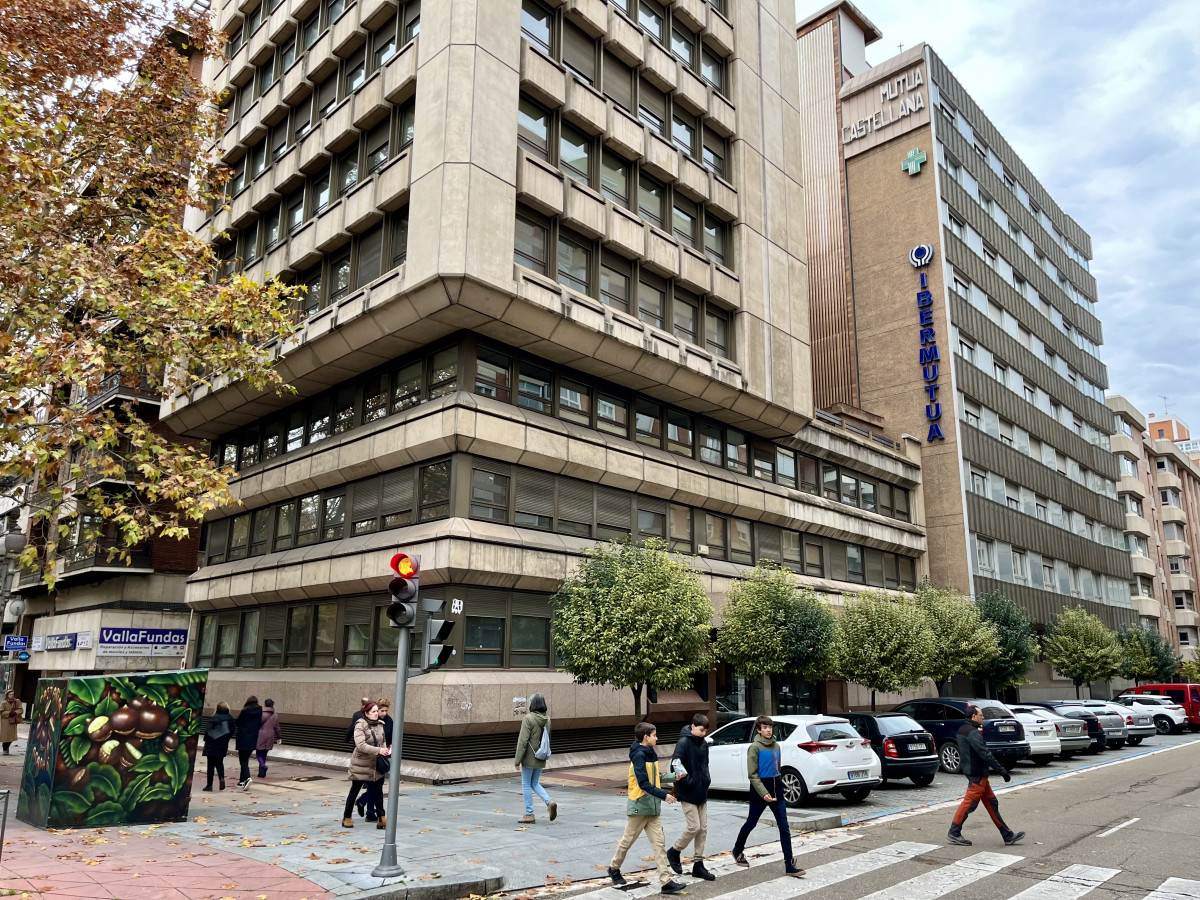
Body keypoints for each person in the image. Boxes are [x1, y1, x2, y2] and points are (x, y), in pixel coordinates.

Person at [607, 722, 685, 896]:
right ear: (646, 737)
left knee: (659, 844)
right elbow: (643, 784)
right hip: (640, 806)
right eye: (655, 735)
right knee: (627, 841)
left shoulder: (650, 753)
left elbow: (655, 777)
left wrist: (674, 776)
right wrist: (664, 796)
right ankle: (614, 868)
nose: (657, 738)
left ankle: (666, 882)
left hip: (653, 808)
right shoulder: (639, 756)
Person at [731, 716, 805, 878]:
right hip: (759, 792)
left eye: (770, 727)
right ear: (759, 730)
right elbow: (752, 774)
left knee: (784, 827)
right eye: (764, 727)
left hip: (777, 791)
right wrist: (763, 792)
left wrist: (780, 787)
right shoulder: (755, 748)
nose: (768, 730)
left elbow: (777, 769)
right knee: (751, 823)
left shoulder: (777, 746)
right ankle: (737, 849)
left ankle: (789, 864)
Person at [948, 704, 1025, 847]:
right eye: (981, 715)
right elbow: (985, 754)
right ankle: (954, 832)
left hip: (977, 774)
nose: (983, 718)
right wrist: (1002, 771)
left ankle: (1007, 835)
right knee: (969, 804)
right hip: (977, 774)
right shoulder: (973, 732)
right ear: (973, 716)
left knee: (991, 804)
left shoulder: (962, 730)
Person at [667, 714, 715, 881]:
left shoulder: (703, 744)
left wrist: (706, 779)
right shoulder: (683, 743)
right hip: (688, 791)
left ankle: (698, 865)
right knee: (694, 827)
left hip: (702, 791)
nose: (703, 733)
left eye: (705, 731)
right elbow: (676, 764)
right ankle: (674, 851)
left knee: (703, 829)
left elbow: (705, 765)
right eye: (701, 730)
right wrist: (690, 781)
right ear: (693, 726)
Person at [343, 701, 390, 830]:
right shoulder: (360, 725)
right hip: (361, 763)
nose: (376, 714)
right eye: (373, 712)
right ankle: (347, 817)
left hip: (376, 763)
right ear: (366, 713)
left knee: (378, 791)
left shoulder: (380, 725)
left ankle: (381, 817)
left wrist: (385, 750)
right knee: (355, 790)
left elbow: (383, 740)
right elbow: (360, 745)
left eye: (377, 711)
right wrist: (378, 751)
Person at [513, 693, 556, 825]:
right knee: (535, 783)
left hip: (529, 757)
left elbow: (523, 741)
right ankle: (549, 801)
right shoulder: (547, 720)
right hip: (541, 756)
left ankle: (529, 814)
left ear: (533, 705)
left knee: (526, 784)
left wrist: (517, 760)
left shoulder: (529, 718)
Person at [202, 702, 235, 791]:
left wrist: (206, 740)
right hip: (223, 744)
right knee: (220, 762)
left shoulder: (214, 717)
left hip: (211, 744)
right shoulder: (230, 718)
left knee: (211, 764)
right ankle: (221, 778)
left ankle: (209, 785)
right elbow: (232, 731)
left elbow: (207, 731)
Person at [234, 695, 263, 791]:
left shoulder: (245, 711)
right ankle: (241, 781)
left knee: (243, 760)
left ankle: (247, 778)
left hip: (243, 737)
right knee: (245, 759)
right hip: (253, 738)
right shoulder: (260, 711)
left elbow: (238, 722)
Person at [256, 699, 282, 779]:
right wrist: (279, 737)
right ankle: (261, 772)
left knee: (258, 753)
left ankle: (262, 765)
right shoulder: (275, 715)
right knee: (264, 753)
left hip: (260, 734)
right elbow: (277, 727)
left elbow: (256, 724)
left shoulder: (260, 713)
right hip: (270, 735)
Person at [1, 690, 23, 755]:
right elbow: (1, 712)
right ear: (7, 695)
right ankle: (5, 748)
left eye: (13, 694)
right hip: (6, 721)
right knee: (6, 736)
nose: (12, 695)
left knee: (11, 736)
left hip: (13, 720)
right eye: (10, 694)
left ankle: (6, 747)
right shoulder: (4, 703)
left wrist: (15, 713)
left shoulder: (17, 701)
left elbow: (21, 710)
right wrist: (9, 713)